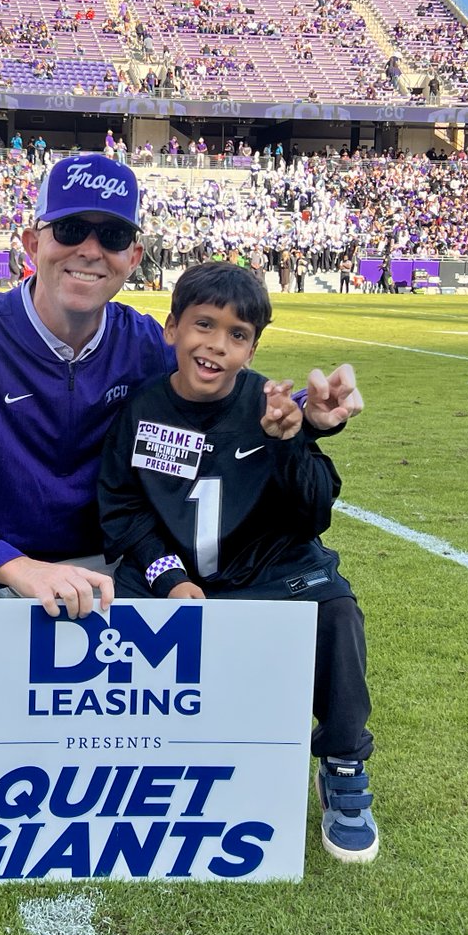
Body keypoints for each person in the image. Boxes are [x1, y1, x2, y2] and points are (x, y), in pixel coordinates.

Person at [0, 153, 364, 661]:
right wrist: (17, 566)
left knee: (179, 639)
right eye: (71, 228)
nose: (90, 250)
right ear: (33, 244)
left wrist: (305, 409)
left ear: (134, 255)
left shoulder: (146, 344)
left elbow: (227, 388)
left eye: (112, 237)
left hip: (99, 558)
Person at [99, 263, 377, 864]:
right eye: (203, 325)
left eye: (237, 334)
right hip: (178, 574)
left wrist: (288, 444)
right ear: (171, 328)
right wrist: (167, 577)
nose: (216, 345)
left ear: (252, 348)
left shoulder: (271, 406)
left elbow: (313, 513)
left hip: (268, 570)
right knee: (104, 612)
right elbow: (122, 509)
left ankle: (344, 759)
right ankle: (126, 754)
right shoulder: (142, 409)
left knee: (336, 612)